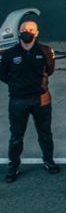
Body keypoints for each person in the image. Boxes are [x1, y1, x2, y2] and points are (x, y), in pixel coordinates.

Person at [0, 20, 58, 182]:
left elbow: (50, 70)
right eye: (24, 29)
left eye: (30, 29)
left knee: (45, 133)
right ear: (19, 32)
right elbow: (3, 74)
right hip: (18, 100)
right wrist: (18, 85)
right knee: (16, 136)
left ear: (37, 33)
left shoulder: (45, 51)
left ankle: (49, 161)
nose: (27, 31)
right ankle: (14, 167)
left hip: (41, 98)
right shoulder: (10, 53)